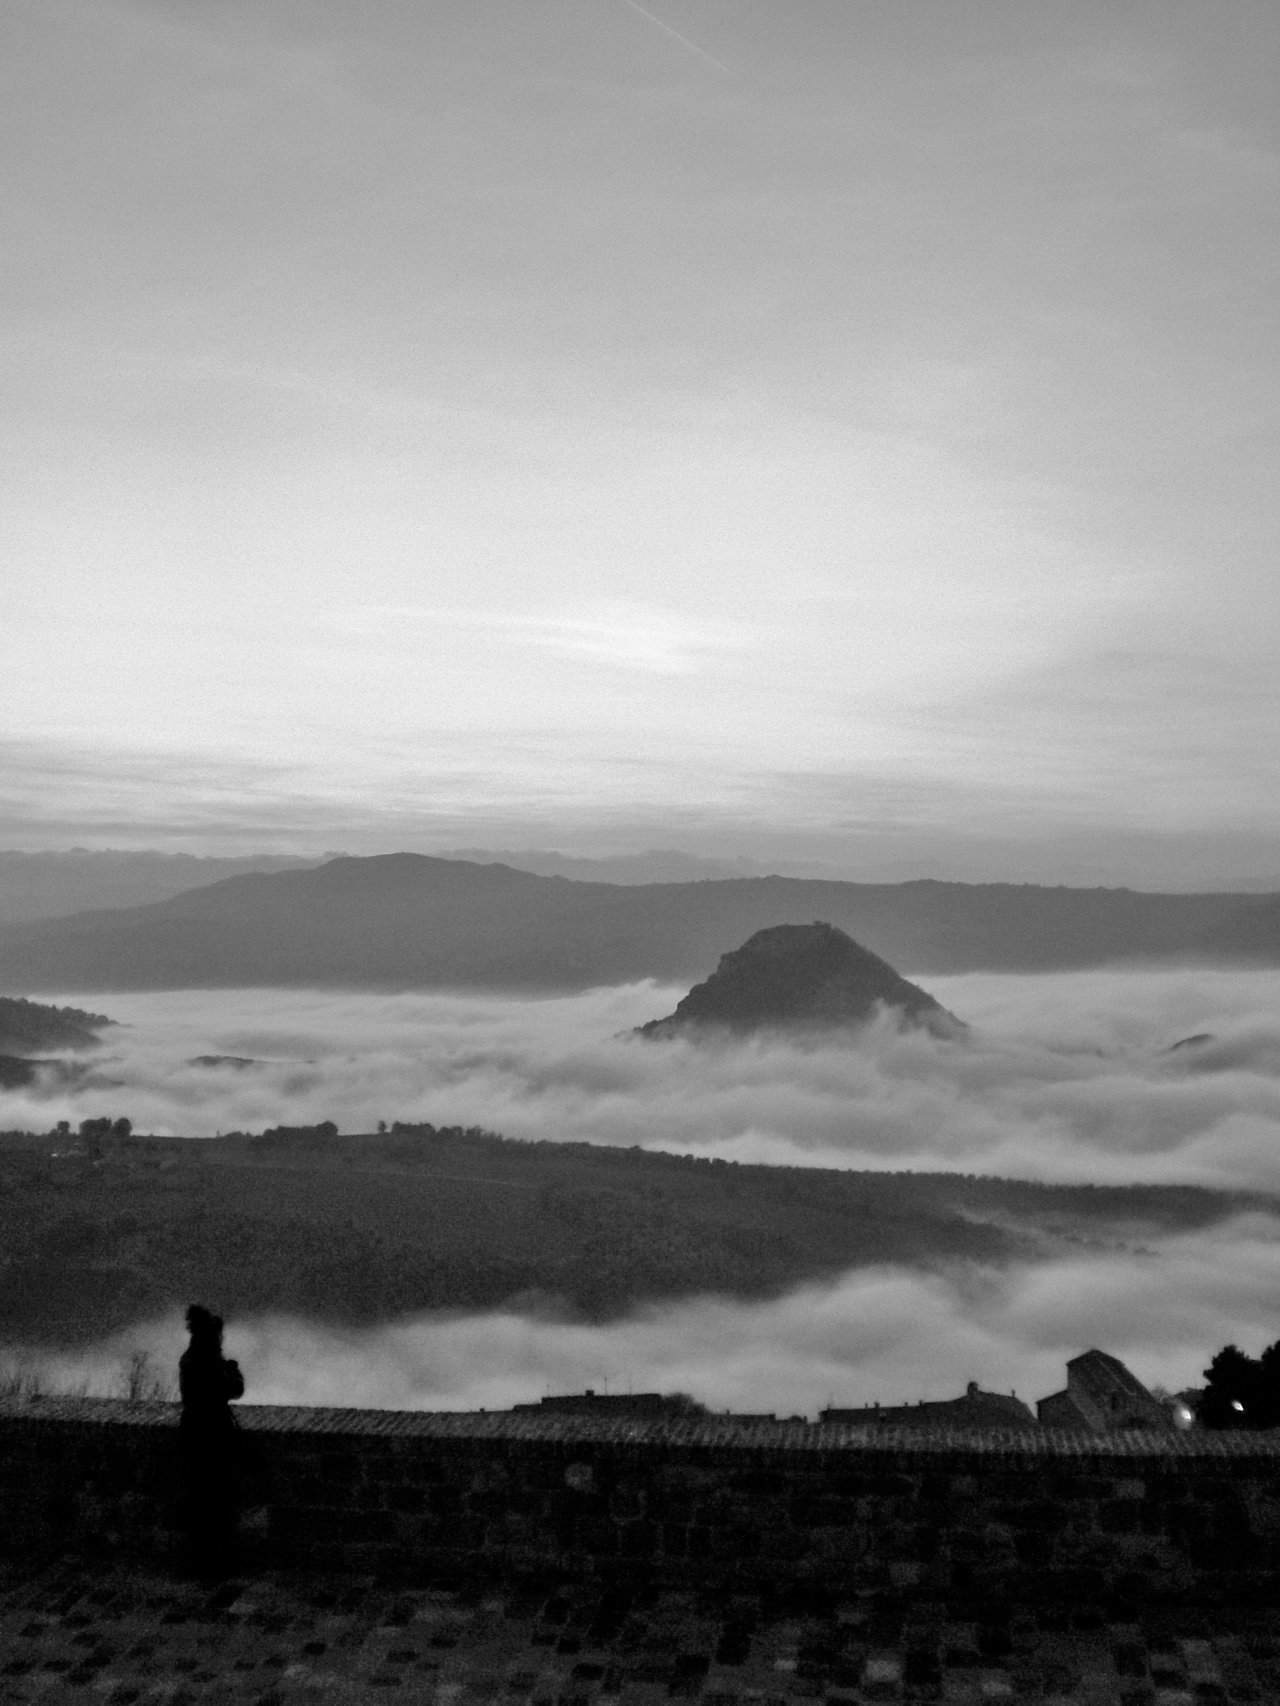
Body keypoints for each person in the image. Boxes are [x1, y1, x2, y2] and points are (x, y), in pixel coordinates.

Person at [177, 1305, 244, 1577]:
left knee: (198, 1500)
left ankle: (198, 1561)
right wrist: (233, 1370)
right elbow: (234, 1390)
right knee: (219, 1501)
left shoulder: (188, 1360)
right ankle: (217, 1565)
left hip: (193, 1434)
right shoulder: (211, 1362)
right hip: (215, 1435)